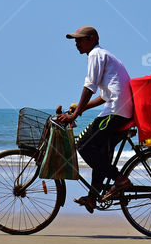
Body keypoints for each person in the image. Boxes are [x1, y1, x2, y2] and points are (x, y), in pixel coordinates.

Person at [56, 26, 133, 212]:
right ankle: (92, 197)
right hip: (120, 109)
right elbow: (103, 96)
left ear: (92, 39)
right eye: (75, 40)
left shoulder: (95, 55)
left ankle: (120, 179)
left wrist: (74, 115)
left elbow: (89, 87)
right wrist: (81, 108)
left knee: (83, 145)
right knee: (99, 152)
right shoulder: (104, 55)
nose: (76, 44)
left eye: (80, 40)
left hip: (116, 111)